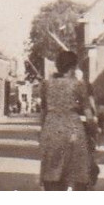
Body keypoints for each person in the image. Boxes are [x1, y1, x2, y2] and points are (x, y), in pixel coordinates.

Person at [40, 50, 99, 190]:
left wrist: (44, 131)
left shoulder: (46, 85)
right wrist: (93, 129)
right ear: (73, 67)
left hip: (51, 127)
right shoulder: (78, 85)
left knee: (52, 172)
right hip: (72, 129)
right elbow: (88, 113)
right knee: (77, 173)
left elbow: (43, 112)